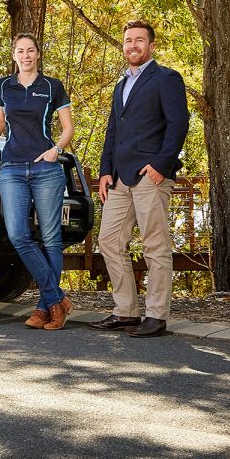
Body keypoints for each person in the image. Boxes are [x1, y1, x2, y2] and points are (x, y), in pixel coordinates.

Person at [92, 20, 189, 338]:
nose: (132, 45)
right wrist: (106, 170)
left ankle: (157, 316)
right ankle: (126, 312)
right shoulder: (121, 85)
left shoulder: (166, 79)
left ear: (151, 45)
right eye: (128, 41)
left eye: (139, 40)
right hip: (120, 179)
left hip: (151, 177)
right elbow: (113, 132)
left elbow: (178, 124)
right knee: (108, 241)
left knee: (155, 247)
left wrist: (161, 164)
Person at [0, 33, 75, 330]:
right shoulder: (4, 85)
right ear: (14, 55)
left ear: (38, 54)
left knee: (51, 239)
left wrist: (56, 151)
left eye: (31, 50)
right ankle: (58, 299)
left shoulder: (52, 86)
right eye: (20, 51)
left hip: (45, 170)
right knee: (18, 234)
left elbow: (67, 127)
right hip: (13, 168)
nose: (26, 55)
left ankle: (46, 308)